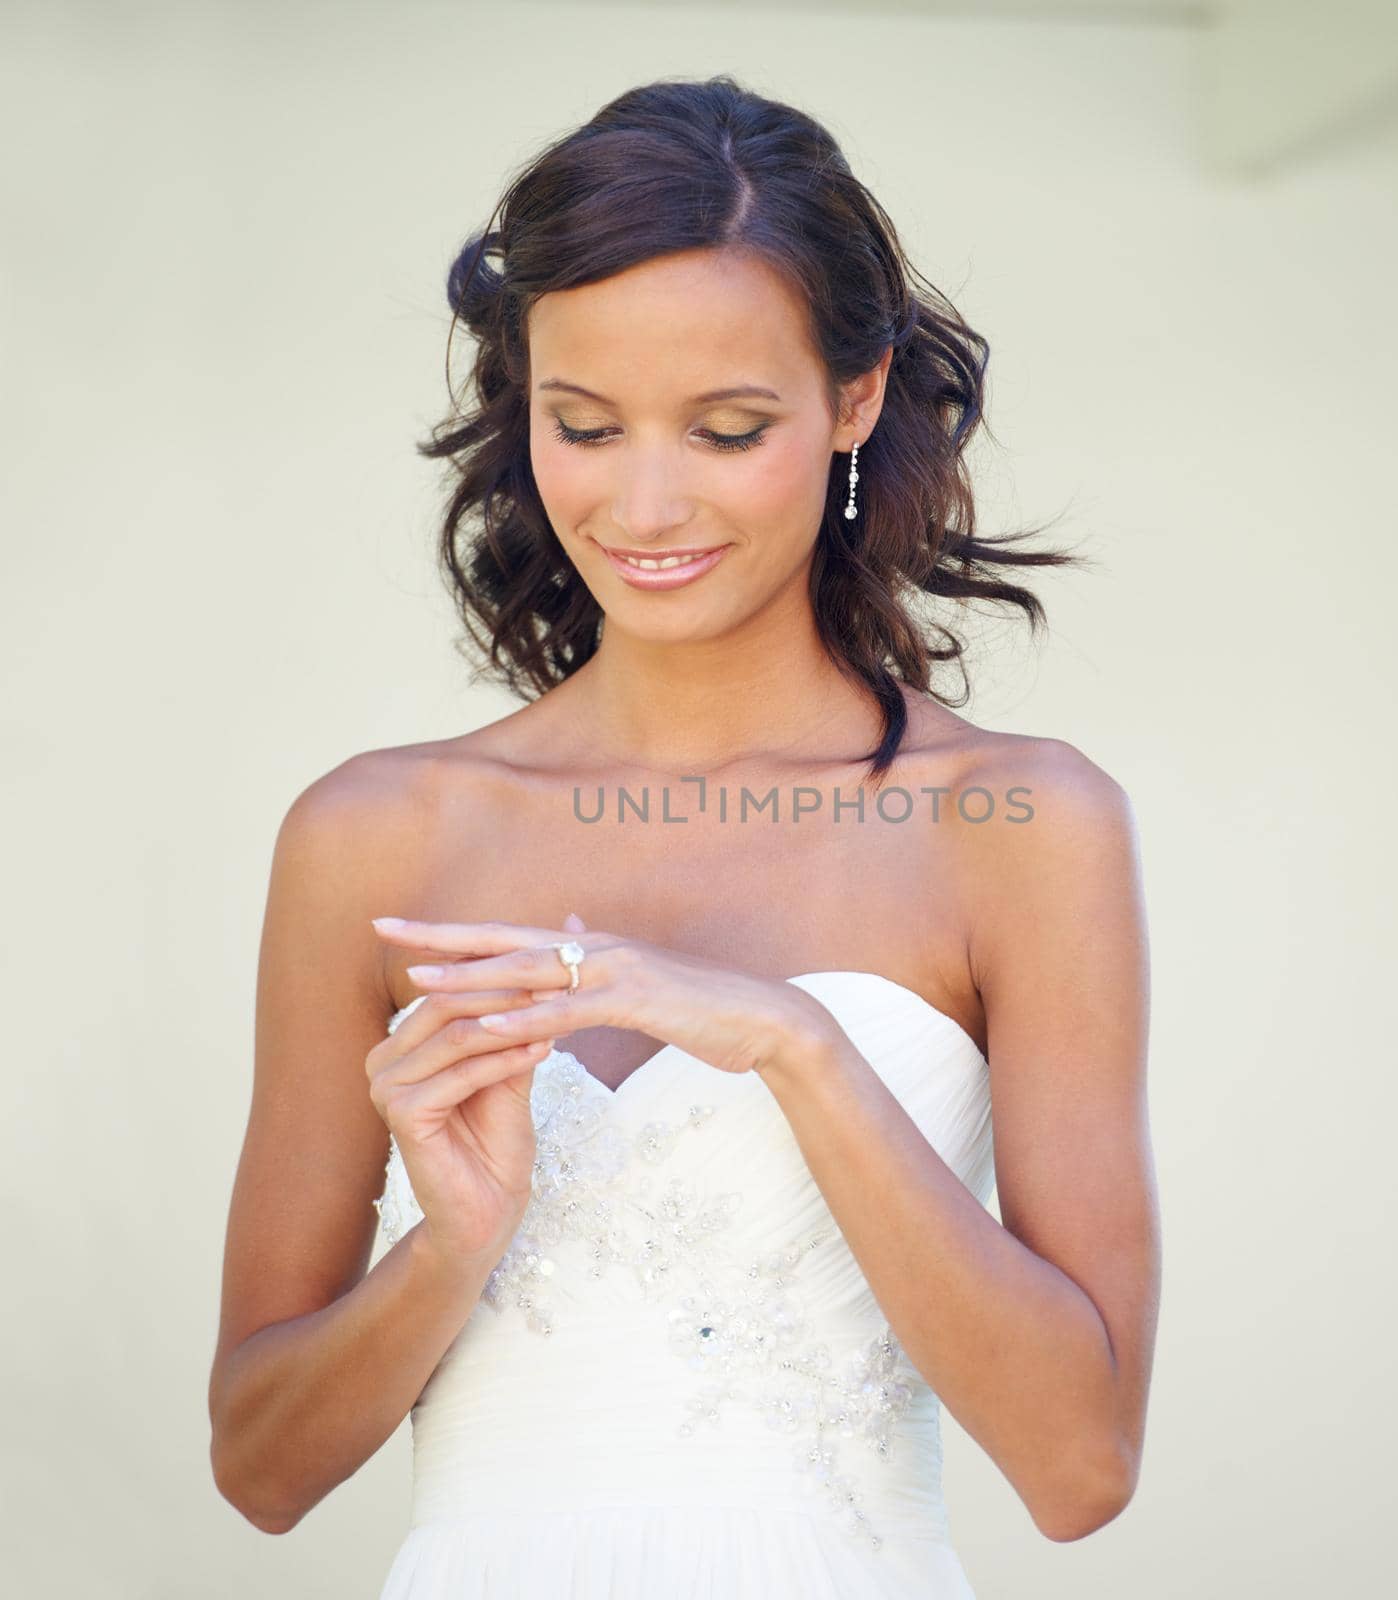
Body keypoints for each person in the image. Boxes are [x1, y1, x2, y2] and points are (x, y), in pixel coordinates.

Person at [207, 73, 1159, 1599]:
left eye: (726, 430)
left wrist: (799, 1046)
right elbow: (258, 1467)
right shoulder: (372, 838)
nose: (644, 505)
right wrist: (454, 1244)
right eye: (583, 425)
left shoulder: (1019, 824)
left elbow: (1078, 1467)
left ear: (855, 400)